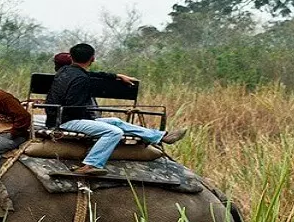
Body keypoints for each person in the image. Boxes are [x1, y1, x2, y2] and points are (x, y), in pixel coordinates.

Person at [45, 43, 187, 176]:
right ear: (92, 59)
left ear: (71, 57)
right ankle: (91, 164)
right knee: (113, 131)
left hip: (60, 117)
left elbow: (91, 75)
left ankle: (161, 136)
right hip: (67, 121)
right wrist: (91, 119)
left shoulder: (65, 71)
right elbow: (73, 106)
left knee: (115, 121)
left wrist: (116, 76)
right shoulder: (81, 79)